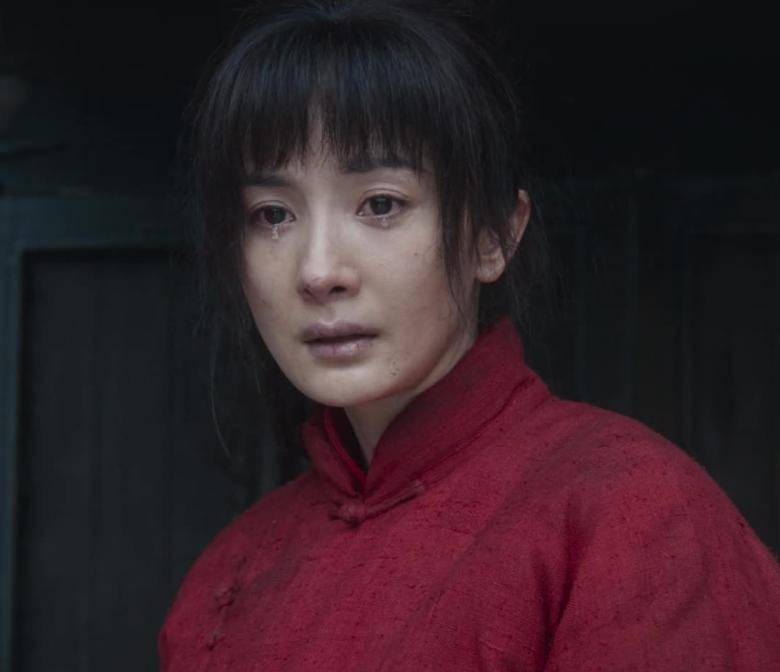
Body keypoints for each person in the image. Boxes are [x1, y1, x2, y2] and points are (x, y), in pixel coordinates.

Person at [158, 1, 780, 670]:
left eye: (381, 204)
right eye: (273, 215)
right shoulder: (228, 577)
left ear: (493, 235)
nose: (318, 271)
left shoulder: (629, 513)